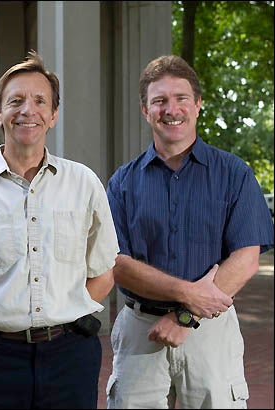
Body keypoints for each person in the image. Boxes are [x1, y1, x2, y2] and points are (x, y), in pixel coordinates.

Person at [0, 50, 119, 409]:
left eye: (40, 101)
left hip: (70, 358)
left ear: (53, 115)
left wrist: (63, 312)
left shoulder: (84, 183)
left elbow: (104, 272)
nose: (28, 110)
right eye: (16, 100)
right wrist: (0, 325)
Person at [105, 55, 275, 409]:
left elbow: (246, 259)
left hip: (211, 332)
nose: (172, 109)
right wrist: (189, 295)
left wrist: (186, 315)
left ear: (198, 105)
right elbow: (116, 263)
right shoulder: (123, 182)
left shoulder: (234, 173)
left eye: (181, 98)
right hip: (140, 330)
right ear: (145, 110)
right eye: (160, 100)